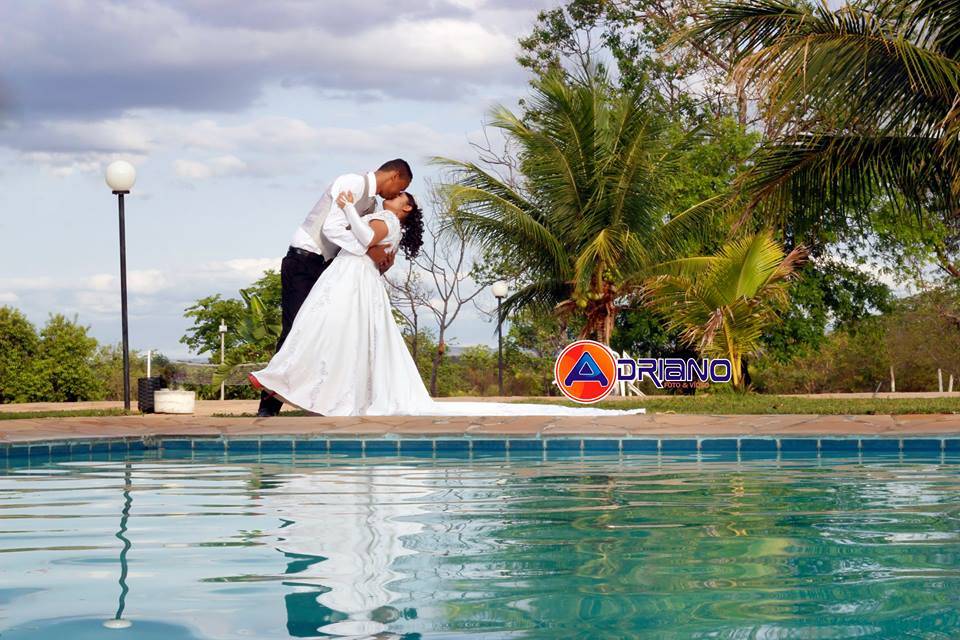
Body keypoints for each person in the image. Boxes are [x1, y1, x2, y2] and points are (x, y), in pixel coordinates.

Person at [250, 190, 644, 417]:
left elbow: (361, 237)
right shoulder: (387, 221)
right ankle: (293, 381)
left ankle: (284, 379)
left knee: (322, 331)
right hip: (350, 279)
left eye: (399, 196)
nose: (392, 197)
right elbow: (364, 243)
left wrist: (348, 208)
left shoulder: (387, 221)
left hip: (351, 281)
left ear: (405, 208)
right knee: (326, 333)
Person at [256, 159, 413, 417]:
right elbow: (331, 229)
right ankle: (269, 406)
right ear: (395, 176)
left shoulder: (371, 204)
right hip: (304, 259)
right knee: (296, 329)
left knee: (327, 331)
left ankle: (320, 399)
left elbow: (359, 235)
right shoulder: (351, 182)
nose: (397, 194)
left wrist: (374, 251)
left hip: (328, 267)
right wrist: (369, 250)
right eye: (401, 188)